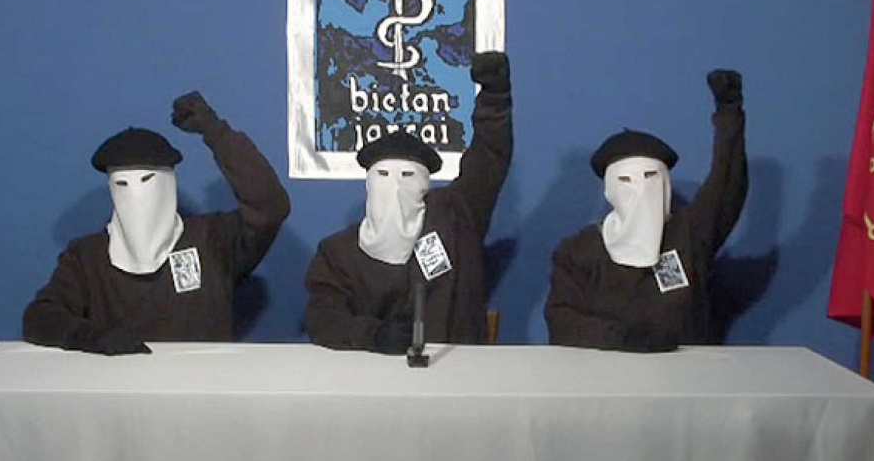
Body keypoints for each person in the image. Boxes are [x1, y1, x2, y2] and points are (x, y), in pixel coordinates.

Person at [23, 92, 290, 355]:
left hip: (203, 379)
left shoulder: (214, 241)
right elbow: (40, 317)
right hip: (120, 381)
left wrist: (216, 132)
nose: (135, 195)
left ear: (167, 183)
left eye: (146, 180)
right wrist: (89, 336)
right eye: (122, 184)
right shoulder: (87, 257)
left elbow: (270, 207)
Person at [304, 52, 512, 354]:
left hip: (455, 370)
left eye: (408, 175)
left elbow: (488, 160)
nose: (396, 185)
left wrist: (495, 98)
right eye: (383, 175)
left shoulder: (455, 218)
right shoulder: (338, 254)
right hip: (371, 374)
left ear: (424, 183)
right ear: (369, 183)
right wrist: (373, 335)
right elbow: (322, 317)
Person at [544, 70, 747, 352]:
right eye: (626, 180)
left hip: (685, 371)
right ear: (610, 189)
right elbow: (562, 322)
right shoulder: (579, 251)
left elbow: (726, 187)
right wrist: (623, 338)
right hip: (605, 373)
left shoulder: (689, 235)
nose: (640, 190)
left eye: (650, 177)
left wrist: (729, 114)